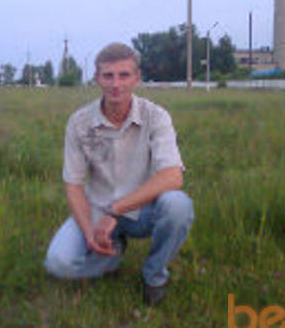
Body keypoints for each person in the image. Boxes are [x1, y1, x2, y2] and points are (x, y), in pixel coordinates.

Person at [44, 42, 194, 306]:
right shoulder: (79, 122)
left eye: (124, 75)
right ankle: (112, 256)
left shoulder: (156, 116)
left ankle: (154, 275)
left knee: (178, 205)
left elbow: (173, 176)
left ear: (137, 78)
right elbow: (74, 185)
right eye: (108, 76)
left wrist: (115, 211)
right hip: (97, 207)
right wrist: (89, 232)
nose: (116, 84)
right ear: (96, 78)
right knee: (58, 263)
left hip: (142, 210)